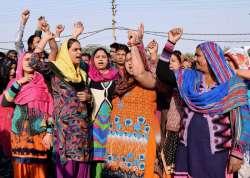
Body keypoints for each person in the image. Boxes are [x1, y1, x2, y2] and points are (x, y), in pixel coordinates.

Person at [156, 28, 250, 178]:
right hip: (187, 151)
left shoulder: (233, 86)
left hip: (218, 156)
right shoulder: (189, 78)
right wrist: (170, 43)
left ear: (210, 58)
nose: (194, 58)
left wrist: (237, 154)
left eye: (198, 55)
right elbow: (162, 73)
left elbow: (242, 122)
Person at [29, 21, 92, 178]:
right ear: (67, 52)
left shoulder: (82, 73)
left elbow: (89, 101)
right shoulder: (54, 71)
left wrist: (89, 98)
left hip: (83, 136)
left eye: (80, 50)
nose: (79, 53)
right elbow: (33, 62)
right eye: (75, 50)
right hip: (65, 135)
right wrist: (44, 39)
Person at [103, 27, 158, 178]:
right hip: (118, 141)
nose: (130, 63)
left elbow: (140, 73)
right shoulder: (120, 83)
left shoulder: (150, 80)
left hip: (141, 142)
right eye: (127, 60)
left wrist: (134, 44)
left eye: (133, 59)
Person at [1, 50, 54, 178]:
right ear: (21, 62)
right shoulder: (15, 82)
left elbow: (51, 109)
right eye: (26, 59)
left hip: (39, 134)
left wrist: (49, 132)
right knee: (20, 170)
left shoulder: (44, 83)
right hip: (19, 136)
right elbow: (5, 102)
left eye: (32, 59)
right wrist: (20, 82)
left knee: (40, 171)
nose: (29, 62)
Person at [88, 47, 118, 178]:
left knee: (109, 158)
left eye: (103, 57)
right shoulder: (88, 78)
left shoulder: (117, 77)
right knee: (94, 158)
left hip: (111, 125)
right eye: (97, 57)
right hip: (93, 124)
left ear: (108, 59)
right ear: (93, 60)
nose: (100, 59)